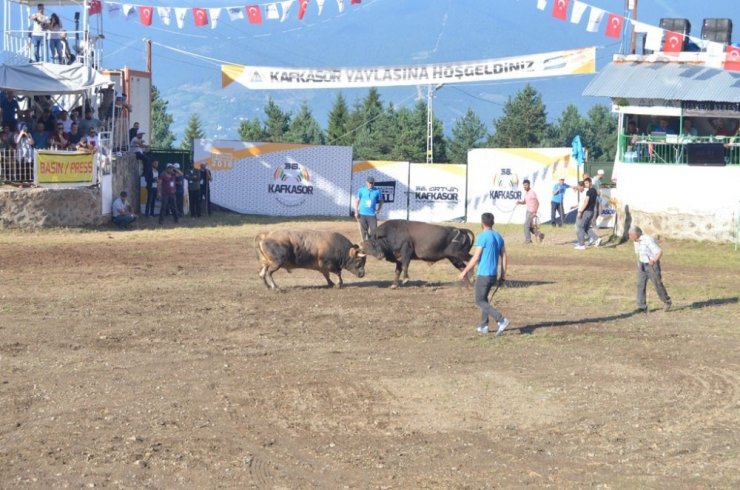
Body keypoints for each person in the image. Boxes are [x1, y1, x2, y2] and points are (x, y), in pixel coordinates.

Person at [459, 212, 510, 336]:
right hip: (493, 274)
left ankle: (501, 320)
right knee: (484, 299)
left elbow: (476, 257)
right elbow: (504, 256)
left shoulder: (482, 237)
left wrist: (465, 271)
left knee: (479, 301)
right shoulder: (498, 236)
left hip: (483, 274)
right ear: (492, 222)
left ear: (482, 223)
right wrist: (503, 274)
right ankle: (483, 325)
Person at [629, 226, 672, 313]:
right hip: (642, 265)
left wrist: (654, 260)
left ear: (636, 234)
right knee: (640, 285)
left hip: (652, 265)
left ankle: (667, 301)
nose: (629, 236)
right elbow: (638, 253)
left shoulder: (648, 240)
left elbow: (659, 252)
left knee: (657, 284)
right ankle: (642, 307)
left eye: (630, 235)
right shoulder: (635, 242)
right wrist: (639, 264)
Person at [353, 175, 383, 240]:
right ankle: (365, 245)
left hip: (372, 215)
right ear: (366, 182)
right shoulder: (361, 190)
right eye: (369, 183)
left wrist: (379, 209)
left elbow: (381, 201)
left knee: (374, 231)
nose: (371, 184)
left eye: (372, 183)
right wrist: (356, 212)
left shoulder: (377, 191)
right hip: (362, 214)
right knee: (364, 232)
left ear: (374, 183)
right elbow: (357, 201)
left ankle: (372, 245)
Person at [573, 178, 599, 250]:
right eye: (585, 183)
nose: (585, 185)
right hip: (589, 211)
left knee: (579, 227)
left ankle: (581, 244)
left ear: (590, 182)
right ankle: (596, 239)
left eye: (587, 183)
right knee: (585, 227)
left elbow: (585, 202)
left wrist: (580, 212)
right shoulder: (593, 190)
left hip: (586, 211)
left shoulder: (588, 192)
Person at [516, 179, 539, 243]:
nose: (525, 186)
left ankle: (528, 240)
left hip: (532, 211)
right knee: (529, 226)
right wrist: (519, 202)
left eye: (526, 185)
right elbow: (525, 202)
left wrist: (535, 212)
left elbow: (537, 203)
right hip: (528, 211)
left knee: (526, 225)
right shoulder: (526, 193)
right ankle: (539, 234)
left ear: (529, 185)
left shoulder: (532, 192)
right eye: (524, 185)